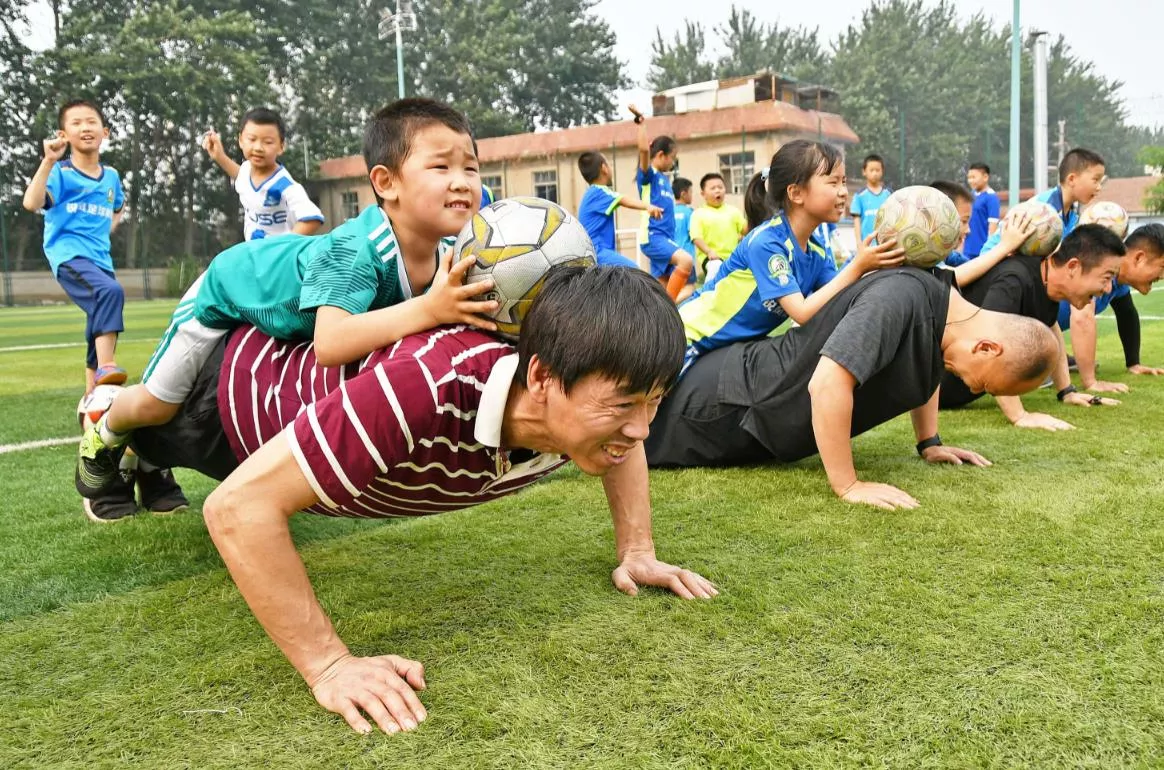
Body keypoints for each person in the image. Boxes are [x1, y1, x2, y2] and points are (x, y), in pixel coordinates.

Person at [125, 266, 718, 734]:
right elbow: (236, 510)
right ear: (540, 378)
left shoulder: (582, 418)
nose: (642, 428)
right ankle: (104, 419)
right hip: (238, 399)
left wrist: (637, 548)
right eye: (622, 405)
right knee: (142, 435)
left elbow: (625, 444)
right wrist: (330, 667)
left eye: (655, 400)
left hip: (321, 439)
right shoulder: (426, 388)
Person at [77, 98, 500, 505]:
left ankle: (150, 458)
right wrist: (429, 309)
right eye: (441, 166)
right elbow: (330, 345)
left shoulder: (451, 248)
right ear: (386, 183)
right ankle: (103, 420)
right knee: (156, 403)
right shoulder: (355, 250)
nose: (462, 180)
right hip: (228, 286)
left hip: (270, 297)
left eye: (471, 167)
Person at [646, 266, 1059, 510]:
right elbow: (827, 384)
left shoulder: (943, 311)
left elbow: (928, 364)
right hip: (726, 404)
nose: (971, 386)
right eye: (983, 381)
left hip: (750, 407)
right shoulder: (898, 299)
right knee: (621, 443)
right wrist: (848, 484)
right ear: (987, 347)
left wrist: (929, 440)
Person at [678, 140, 903, 373]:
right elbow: (802, 312)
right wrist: (858, 266)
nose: (844, 192)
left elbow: (839, 297)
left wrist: (878, 266)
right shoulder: (767, 243)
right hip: (688, 337)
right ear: (796, 193)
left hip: (724, 349)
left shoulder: (817, 250)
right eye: (833, 182)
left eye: (844, 182)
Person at [938, 224, 1127, 430]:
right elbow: (992, 342)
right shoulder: (1014, 279)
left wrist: (1066, 391)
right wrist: (1019, 416)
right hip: (936, 390)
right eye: (1106, 277)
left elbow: (1050, 327)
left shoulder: (1045, 280)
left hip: (964, 388)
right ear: (1073, 267)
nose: (1108, 288)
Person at [22, 99, 129, 391]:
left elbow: (119, 205)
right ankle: (107, 368)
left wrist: (107, 231)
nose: (85, 128)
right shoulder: (60, 173)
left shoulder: (112, 177)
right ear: (63, 134)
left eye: (91, 122)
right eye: (76, 123)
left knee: (96, 325)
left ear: (104, 131)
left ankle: (91, 401)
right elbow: (31, 203)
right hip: (69, 257)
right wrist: (48, 161)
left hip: (100, 260)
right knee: (110, 293)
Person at [1057, 223, 1164, 392]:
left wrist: (1133, 363)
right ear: (1139, 258)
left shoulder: (1119, 282)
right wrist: (1091, 382)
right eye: (1162, 267)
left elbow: (1126, 313)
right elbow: (1082, 318)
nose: (1162, 276)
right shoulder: (1099, 266)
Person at [202, 108, 324, 240]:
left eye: (268, 142)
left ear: (281, 146)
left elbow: (312, 218)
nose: (258, 148)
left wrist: (285, 248)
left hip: (277, 258)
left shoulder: (285, 185)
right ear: (241, 141)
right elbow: (240, 176)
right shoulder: (247, 169)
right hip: (254, 254)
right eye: (252, 139)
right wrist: (219, 156)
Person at [631, 106, 695, 301]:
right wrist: (641, 123)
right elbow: (643, 150)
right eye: (672, 158)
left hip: (666, 238)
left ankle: (657, 318)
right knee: (686, 261)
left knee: (670, 289)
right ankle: (668, 309)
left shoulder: (666, 181)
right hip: (653, 236)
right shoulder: (648, 176)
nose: (673, 163)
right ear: (660, 155)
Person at [576, 149, 662, 268]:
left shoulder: (591, 194)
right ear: (604, 168)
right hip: (598, 252)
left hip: (591, 254)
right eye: (609, 164)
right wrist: (648, 206)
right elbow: (623, 200)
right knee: (635, 273)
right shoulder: (599, 191)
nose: (610, 167)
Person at [689, 172, 747, 284]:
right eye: (713, 188)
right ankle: (707, 295)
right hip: (712, 259)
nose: (717, 190)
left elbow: (746, 230)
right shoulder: (698, 214)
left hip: (733, 258)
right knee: (716, 268)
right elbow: (696, 238)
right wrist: (709, 251)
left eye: (720, 187)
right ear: (703, 193)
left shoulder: (733, 211)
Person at [849, 154, 891, 244]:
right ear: (864, 171)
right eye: (871, 170)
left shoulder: (888, 194)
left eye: (877, 170)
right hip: (867, 246)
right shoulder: (859, 196)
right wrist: (859, 243)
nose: (875, 173)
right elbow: (857, 221)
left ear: (882, 171)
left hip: (886, 244)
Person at [963, 162, 1000, 258]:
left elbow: (993, 226)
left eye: (973, 177)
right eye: (969, 178)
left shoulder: (991, 198)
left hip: (981, 253)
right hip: (967, 250)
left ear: (985, 177)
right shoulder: (970, 195)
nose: (970, 181)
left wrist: (988, 252)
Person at [672, 177, 697, 273]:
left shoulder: (669, 212)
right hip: (686, 259)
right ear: (683, 194)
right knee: (689, 287)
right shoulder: (690, 212)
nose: (692, 195)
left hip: (672, 258)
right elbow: (694, 235)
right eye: (691, 192)